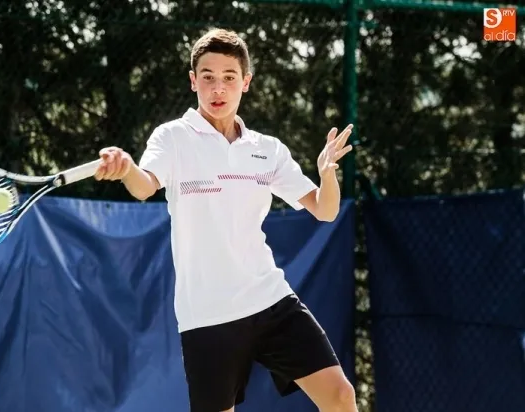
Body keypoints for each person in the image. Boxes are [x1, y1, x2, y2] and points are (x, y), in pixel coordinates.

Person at [94, 28, 357, 412]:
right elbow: (144, 186)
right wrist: (126, 168)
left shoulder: (268, 150)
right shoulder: (172, 138)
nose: (218, 88)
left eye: (229, 78)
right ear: (193, 81)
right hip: (207, 315)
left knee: (341, 395)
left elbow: (325, 209)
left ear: (245, 82)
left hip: (271, 299)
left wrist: (327, 174)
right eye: (208, 77)